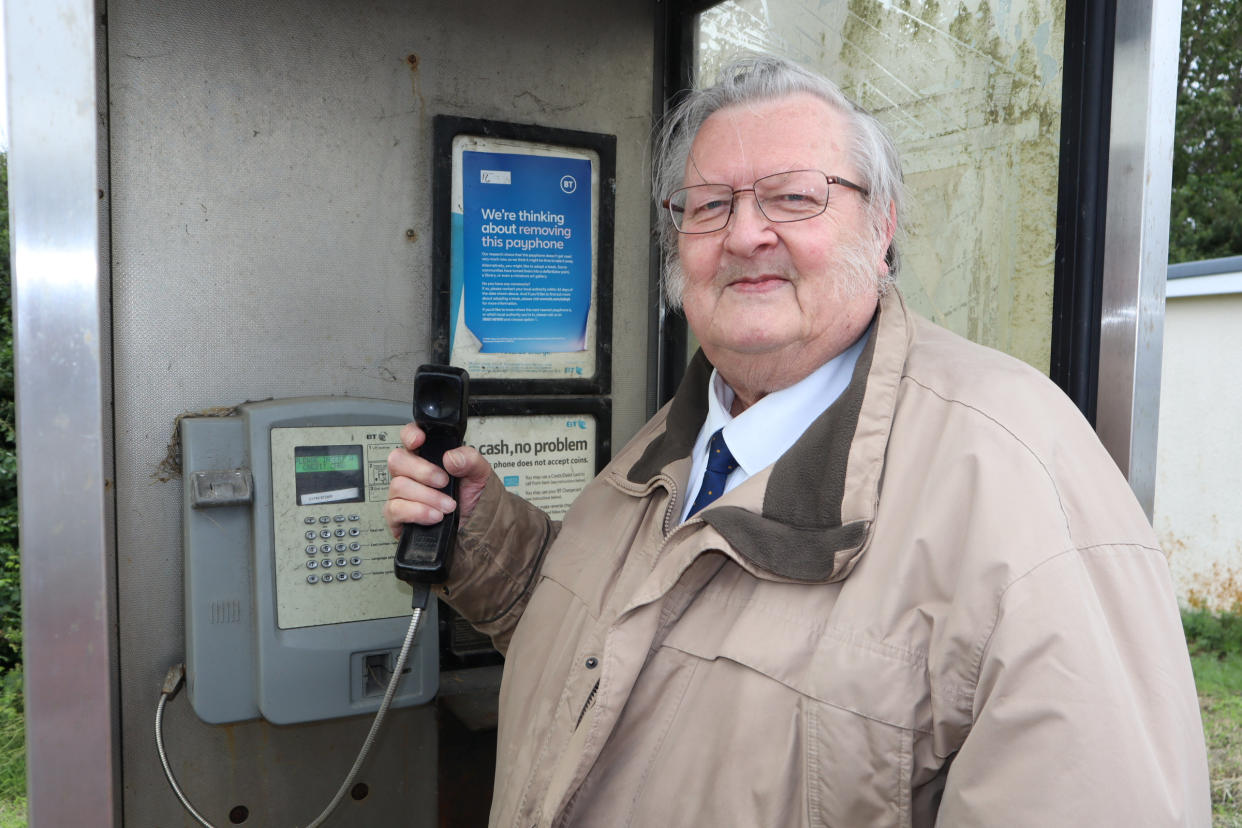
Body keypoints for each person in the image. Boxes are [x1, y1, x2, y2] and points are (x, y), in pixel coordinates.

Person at [386, 54, 1209, 827]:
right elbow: (623, 653)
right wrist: (484, 543)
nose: (745, 235)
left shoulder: (1019, 476)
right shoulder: (671, 442)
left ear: (881, 227)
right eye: (710, 204)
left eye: (793, 197)